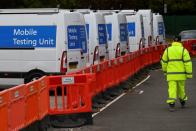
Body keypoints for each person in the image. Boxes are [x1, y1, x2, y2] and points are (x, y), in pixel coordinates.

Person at [161, 35, 192, 112]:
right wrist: (189, 74)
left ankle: (171, 104)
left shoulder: (167, 50)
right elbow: (188, 63)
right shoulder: (183, 50)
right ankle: (182, 101)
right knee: (181, 88)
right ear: (180, 41)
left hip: (171, 74)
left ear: (173, 41)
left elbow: (164, 62)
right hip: (181, 74)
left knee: (172, 89)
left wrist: (165, 71)